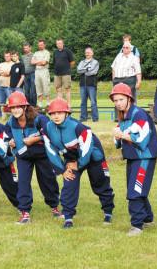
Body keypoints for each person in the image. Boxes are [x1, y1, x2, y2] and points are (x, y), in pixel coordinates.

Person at [42, 98, 115, 229]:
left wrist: (79, 164)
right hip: (71, 159)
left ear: (67, 113)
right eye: (53, 113)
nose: (56, 116)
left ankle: (108, 211)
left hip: (93, 156)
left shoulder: (80, 128)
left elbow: (87, 149)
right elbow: (51, 151)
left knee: (100, 184)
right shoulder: (47, 129)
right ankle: (68, 217)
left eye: (60, 112)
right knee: (69, 183)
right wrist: (62, 170)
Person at [110, 83, 157, 237]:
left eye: (121, 99)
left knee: (135, 190)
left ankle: (136, 225)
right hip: (132, 158)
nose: (118, 103)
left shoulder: (139, 114)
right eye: (115, 100)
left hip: (144, 157)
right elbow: (118, 143)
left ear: (129, 99)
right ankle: (147, 218)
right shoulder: (123, 116)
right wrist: (118, 136)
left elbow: (141, 139)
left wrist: (121, 135)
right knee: (136, 188)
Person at [5, 92, 61, 224]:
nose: (15, 110)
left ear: (25, 107)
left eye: (18, 107)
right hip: (23, 156)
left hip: (42, 155)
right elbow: (6, 135)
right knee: (23, 182)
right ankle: (25, 212)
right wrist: (10, 141)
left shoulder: (39, 119)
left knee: (47, 181)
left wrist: (35, 139)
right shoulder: (10, 122)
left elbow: (51, 135)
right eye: (13, 108)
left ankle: (54, 207)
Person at [77, 46, 99, 122]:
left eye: (89, 52)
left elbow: (93, 72)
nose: (87, 54)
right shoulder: (82, 62)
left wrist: (84, 70)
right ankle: (83, 118)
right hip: (82, 85)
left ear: (92, 53)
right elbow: (78, 70)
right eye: (86, 52)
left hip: (91, 85)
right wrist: (87, 69)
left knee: (93, 102)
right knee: (83, 102)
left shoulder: (95, 62)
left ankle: (95, 118)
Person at [53, 38, 74, 105]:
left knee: (67, 89)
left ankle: (68, 105)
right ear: (56, 45)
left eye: (60, 43)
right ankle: (60, 105)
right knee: (58, 89)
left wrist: (68, 69)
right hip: (57, 74)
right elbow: (54, 62)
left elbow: (72, 62)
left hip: (66, 74)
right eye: (57, 43)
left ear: (63, 44)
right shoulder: (55, 52)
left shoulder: (67, 51)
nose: (59, 45)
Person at [31, 39, 50, 109]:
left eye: (41, 45)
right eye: (39, 45)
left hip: (44, 71)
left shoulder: (47, 52)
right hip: (37, 71)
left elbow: (44, 63)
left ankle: (48, 104)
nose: (40, 46)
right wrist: (40, 62)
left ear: (44, 45)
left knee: (46, 87)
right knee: (38, 87)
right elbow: (32, 62)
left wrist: (37, 62)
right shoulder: (36, 53)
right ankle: (40, 104)